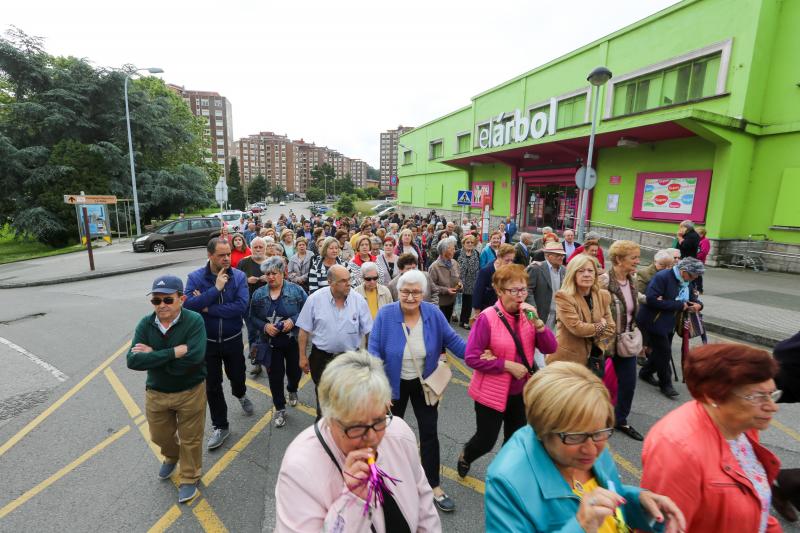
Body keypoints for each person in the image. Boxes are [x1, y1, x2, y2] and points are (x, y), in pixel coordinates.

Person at [485, 362, 686, 533]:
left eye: (599, 432)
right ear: (542, 431)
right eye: (575, 437)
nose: (592, 451)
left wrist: (638, 504)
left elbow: (607, 492)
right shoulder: (507, 482)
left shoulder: (592, 437)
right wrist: (580, 527)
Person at [274, 350, 440, 532]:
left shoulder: (398, 433)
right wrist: (353, 499)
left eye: (378, 421)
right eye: (356, 428)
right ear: (329, 419)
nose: (372, 438)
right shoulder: (300, 469)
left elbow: (424, 505)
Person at [642, 343, 782, 533]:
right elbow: (664, 527)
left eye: (771, 394)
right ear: (713, 396)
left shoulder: (741, 426)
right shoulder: (678, 450)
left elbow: (758, 503)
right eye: (758, 397)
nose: (773, 407)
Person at [369, 270, 466, 513]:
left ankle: (433, 485)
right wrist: (379, 392)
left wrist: (479, 355)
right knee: (387, 435)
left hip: (424, 382)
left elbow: (454, 342)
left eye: (415, 292)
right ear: (397, 291)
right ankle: (383, 481)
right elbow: (373, 353)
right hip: (393, 383)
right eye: (405, 291)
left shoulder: (432, 313)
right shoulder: (386, 314)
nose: (410, 297)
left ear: (423, 293)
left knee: (429, 433)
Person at [459, 265, 558, 480]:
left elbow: (550, 348)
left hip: (521, 391)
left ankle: (501, 474)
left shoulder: (529, 315)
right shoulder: (487, 318)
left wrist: (539, 324)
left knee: (513, 440)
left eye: (523, 289)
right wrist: (506, 365)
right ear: (500, 291)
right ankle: (466, 454)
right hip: (491, 393)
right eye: (514, 290)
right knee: (486, 440)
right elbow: (471, 357)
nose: (520, 295)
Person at [127, 275, 208, 504]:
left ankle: (190, 477)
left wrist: (152, 356)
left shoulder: (195, 321)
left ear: (181, 299)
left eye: (168, 300)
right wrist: (173, 353)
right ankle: (172, 456)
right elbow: (132, 361)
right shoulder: (145, 324)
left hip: (190, 391)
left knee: (191, 439)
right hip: (157, 392)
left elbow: (194, 359)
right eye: (156, 300)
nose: (161, 305)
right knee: (158, 435)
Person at [185, 238, 254, 450]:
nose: (226, 259)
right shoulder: (196, 277)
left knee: (237, 376)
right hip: (207, 343)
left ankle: (240, 393)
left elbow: (241, 306)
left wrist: (207, 307)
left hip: (233, 340)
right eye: (221, 255)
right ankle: (221, 426)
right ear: (210, 255)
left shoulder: (239, 276)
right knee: (212, 386)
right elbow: (188, 304)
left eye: (228, 254)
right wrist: (215, 290)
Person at [297, 265, 373, 418]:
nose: (349, 283)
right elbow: (304, 330)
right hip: (322, 359)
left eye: (349, 279)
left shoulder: (358, 301)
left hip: (351, 359)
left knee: (349, 401)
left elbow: (369, 332)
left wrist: (369, 359)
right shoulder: (314, 300)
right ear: (330, 282)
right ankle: (324, 434)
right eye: (343, 281)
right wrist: (303, 357)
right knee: (324, 401)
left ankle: (345, 435)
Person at [249, 257, 307, 428]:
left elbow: (308, 309)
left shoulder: (296, 291)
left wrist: (294, 320)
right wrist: (265, 326)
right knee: (274, 377)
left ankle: (292, 389)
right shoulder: (258, 294)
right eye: (268, 274)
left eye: (274, 273)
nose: (271, 277)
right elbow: (252, 317)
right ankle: (280, 408)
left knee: (295, 372)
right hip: (270, 344)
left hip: (293, 342)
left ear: (283, 273)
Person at [637, 257, 704, 399]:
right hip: (653, 320)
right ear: (684, 271)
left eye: (696, 277)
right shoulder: (663, 277)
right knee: (665, 352)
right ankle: (665, 384)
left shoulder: (687, 281)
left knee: (660, 351)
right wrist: (679, 305)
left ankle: (646, 372)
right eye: (693, 276)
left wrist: (698, 305)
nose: (694, 279)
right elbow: (651, 299)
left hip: (671, 321)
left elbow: (693, 297)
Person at [598, 240, 644, 441]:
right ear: (618, 259)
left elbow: (635, 306)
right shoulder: (604, 281)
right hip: (606, 342)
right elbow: (594, 309)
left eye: (637, 257)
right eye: (633, 257)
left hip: (626, 342)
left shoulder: (633, 280)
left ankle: (620, 420)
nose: (637, 261)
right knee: (595, 383)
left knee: (628, 383)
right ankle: (593, 419)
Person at [547, 255, 615, 371]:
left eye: (590, 270)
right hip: (566, 361)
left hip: (594, 358)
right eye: (581, 271)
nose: (587, 274)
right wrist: (601, 326)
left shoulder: (603, 295)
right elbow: (577, 328)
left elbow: (611, 328)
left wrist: (596, 329)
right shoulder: (564, 297)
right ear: (573, 274)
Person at [236, 237, 270, 377]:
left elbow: (281, 280)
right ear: (251, 248)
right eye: (255, 247)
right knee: (252, 334)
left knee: (266, 334)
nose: (258, 249)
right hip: (248, 304)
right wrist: (246, 280)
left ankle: (266, 359)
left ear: (265, 248)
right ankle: (256, 362)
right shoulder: (244, 262)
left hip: (268, 304)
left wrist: (269, 278)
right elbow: (235, 281)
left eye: (260, 247)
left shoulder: (270, 262)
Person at [525, 241, 566, 332]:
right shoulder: (536, 268)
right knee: (531, 338)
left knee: (547, 340)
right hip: (537, 314)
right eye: (558, 255)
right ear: (548, 256)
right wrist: (532, 312)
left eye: (562, 255)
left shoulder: (564, 270)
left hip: (555, 316)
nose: (561, 257)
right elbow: (527, 290)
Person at [472, 243, 516, 319]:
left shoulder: (511, 270)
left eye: (512, 260)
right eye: (507, 260)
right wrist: (477, 312)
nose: (510, 263)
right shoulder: (486, 271)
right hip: (487, 309)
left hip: (504, 310)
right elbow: (478, 292)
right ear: (499, 257)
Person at [428, 237, 461, 323]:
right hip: (440, 304)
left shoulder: (454, 263)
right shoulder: (434, 267)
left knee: (447, 324)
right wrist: (446, 290)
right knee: (439, 327)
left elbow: (458, 277)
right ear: (444, 251)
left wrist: (460, 284)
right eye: (452, 249)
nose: (455, 251)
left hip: (451, 302)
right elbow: (431, 286)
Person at [456, 234, 480, 329]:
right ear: (463, 243)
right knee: (455, 301)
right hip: (458, 280)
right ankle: (453, 316)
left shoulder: (476, 253)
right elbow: (453, 267)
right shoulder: (457, 253)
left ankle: (464, 321)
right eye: (468, 242)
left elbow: (479, 267)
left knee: (468, 303)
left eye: (472, 242)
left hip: (471, 281)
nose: (470, 244)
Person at [695, 226, 710, 294]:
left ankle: (700, 289)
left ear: (702, 234)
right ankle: (695, 288)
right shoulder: (698, 239)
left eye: (697, 234)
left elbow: (704, 252)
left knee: (698, 275)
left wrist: (696, 257)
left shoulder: (705, 241)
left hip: (699, 260)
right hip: (694, 259)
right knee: (693, 274)